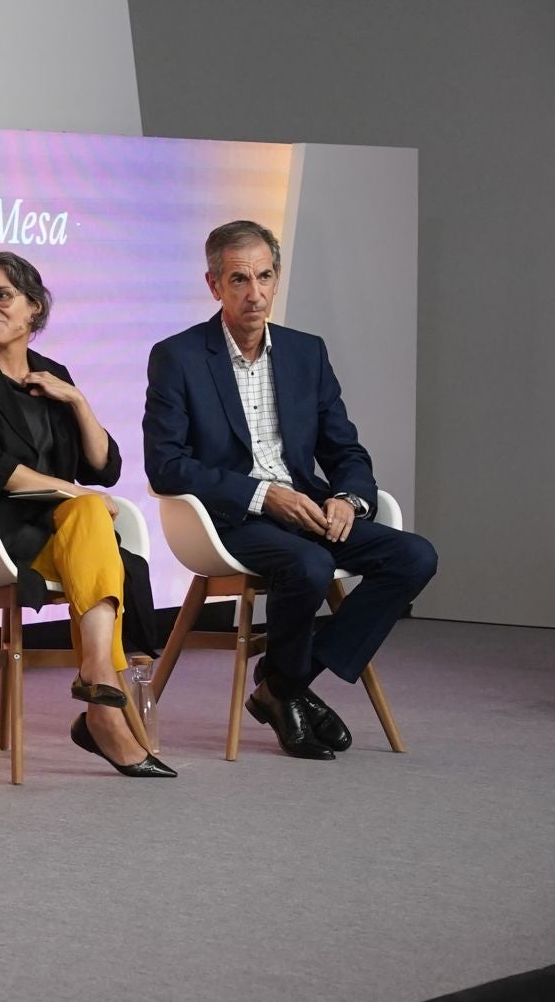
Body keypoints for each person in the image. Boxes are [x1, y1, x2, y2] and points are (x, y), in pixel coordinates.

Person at [144, 220, 438, 760]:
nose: (253, 294)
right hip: (231, 520)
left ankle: (282, 685)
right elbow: (165, 465)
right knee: (308, 566)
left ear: (277, 278)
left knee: (414, 556)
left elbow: (345, 450)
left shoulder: (307, 352)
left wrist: (347, 499)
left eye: (264, 276)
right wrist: (261, 495)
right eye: (237, 280)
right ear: (213, 285)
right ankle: (288, 690)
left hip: (310, 507)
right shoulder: (178, 357)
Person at [0, 251, 174, 778]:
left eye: (2, 295)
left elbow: (103, 467)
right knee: (88, 517)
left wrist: (77, 401)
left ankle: (99, 681)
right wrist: (69, 490)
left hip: (53, 528)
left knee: (88, 518)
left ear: (34, 308)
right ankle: (103, 702)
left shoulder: (52, 375)